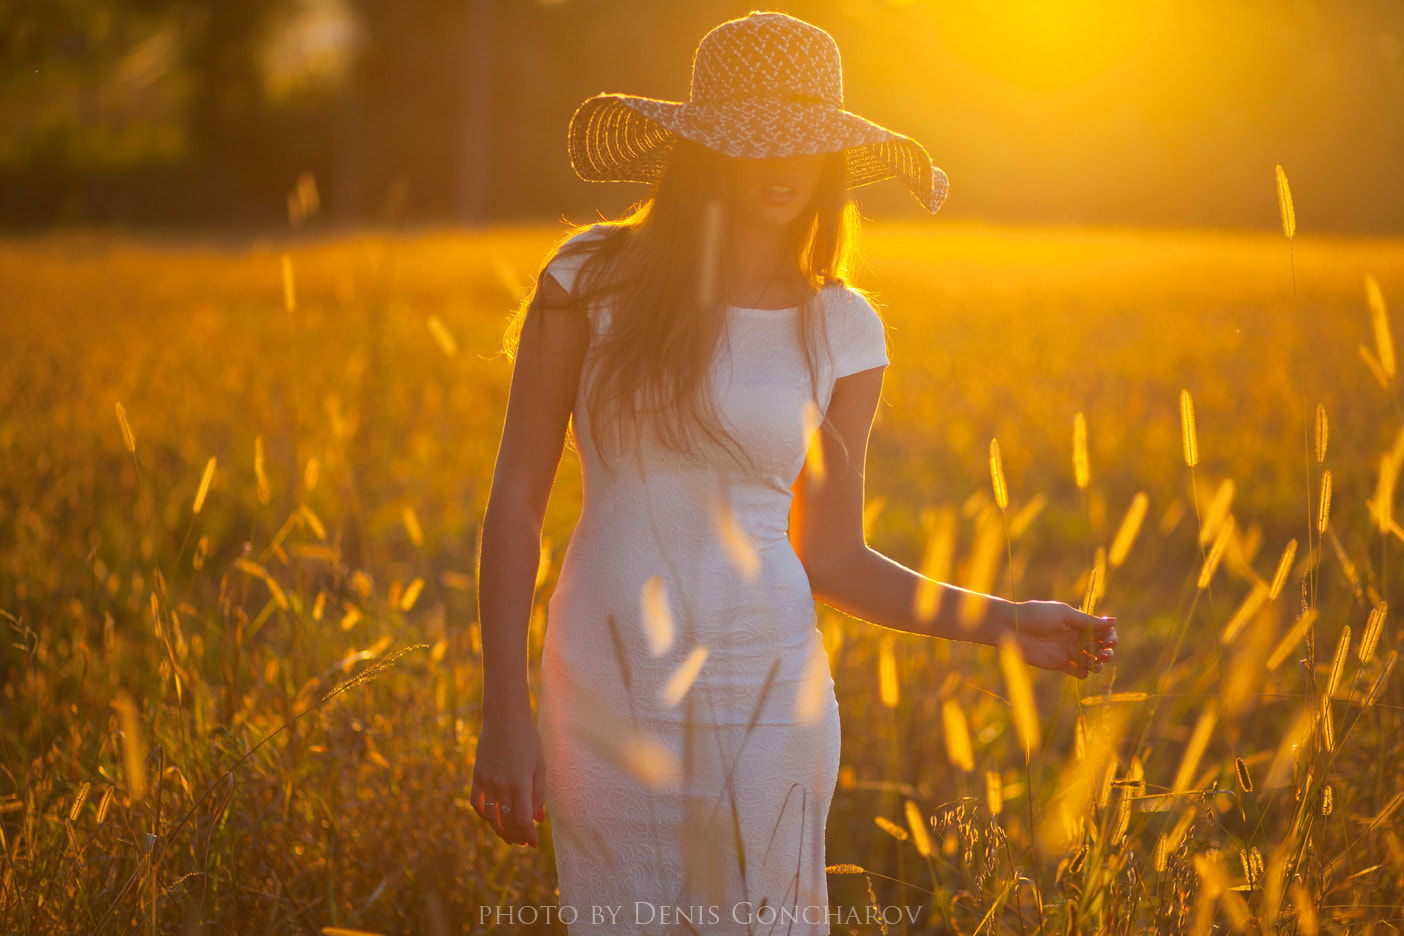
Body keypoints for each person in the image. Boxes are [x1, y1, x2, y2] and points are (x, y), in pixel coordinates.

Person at [471, 11, 1117, 934]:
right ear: (703, 149)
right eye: (754, 142)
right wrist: (504, 709)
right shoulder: (588, 280)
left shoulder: (844, 327)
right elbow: (515, 504)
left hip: (770, 686)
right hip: (607, 683)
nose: (783, 164)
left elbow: (835, 558)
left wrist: (1007, 623)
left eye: (808, 143)